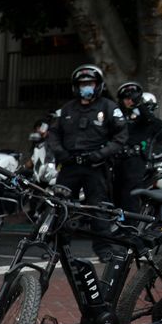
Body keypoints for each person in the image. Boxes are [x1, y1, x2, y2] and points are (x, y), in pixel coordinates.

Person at [46, 64, 128, 261]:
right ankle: (57, 248)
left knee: (98, 209)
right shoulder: (66, 109)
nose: (86, 87)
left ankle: (103, 249)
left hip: (95, 167)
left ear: (98, 85)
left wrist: (101, 154)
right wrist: (61, 153)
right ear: (76, 86)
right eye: (82, 84)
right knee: (61, 206)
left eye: (90, 83)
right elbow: (53, 134)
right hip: (70, 165)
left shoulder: (109, 107)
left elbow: (121, 136)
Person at [114, 91, 162, 212]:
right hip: (119, 163)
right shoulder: (127, 123)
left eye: (140, 105)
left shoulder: (153, 124)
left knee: (130, 196)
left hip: (143, 167)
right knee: (116, 194)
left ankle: (130, 227)